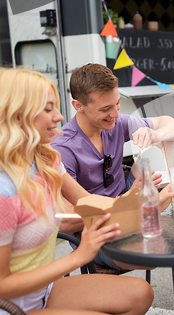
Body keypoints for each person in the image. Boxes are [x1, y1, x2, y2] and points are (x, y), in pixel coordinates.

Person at [0, 67, 155, 314]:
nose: (60, 117)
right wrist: (78, 256)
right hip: (10, 305)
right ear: (18, 116)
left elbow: (87, 202)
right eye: (48, 109)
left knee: (141, 294)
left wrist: (142, 200)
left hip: (46, 289)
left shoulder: (46, 159)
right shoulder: (3, 191)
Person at [52, 63, 174, 270]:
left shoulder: (116, 122)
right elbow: (67, 221)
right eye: (105, 109)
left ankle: (169, 209)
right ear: (78, 106)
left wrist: (156, 135)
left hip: (126, 197)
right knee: (156, 253)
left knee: (161, 139)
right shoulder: (63, 149)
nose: (115, 113)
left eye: (117, 104)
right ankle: (155, 211)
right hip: (95, 228)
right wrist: (127, 203)